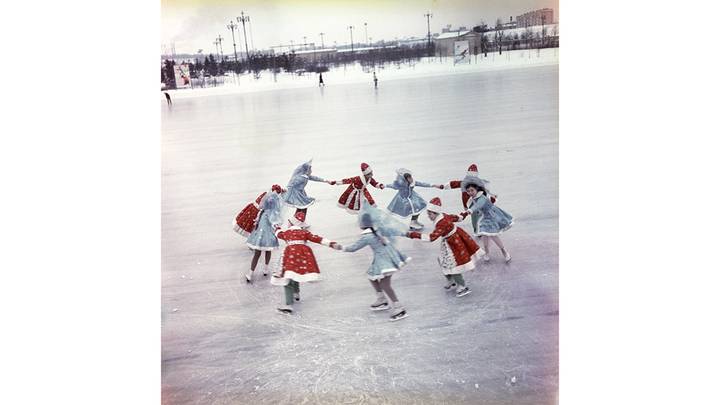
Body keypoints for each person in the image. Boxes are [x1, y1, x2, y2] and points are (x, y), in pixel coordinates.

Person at [335, 202, 411, 321]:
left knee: (385, 284)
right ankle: (381, 298)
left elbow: (354, 248)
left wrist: (341, 247)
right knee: (372, 276)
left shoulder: (368, 237)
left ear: (362, 225)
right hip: (389, 257)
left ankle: (398, 307)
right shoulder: (377, 230)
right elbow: (393, 231)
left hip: (385, 261)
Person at [406, 197, 482, 297]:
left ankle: (462, 286)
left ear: (435, 213)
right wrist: (463, 215)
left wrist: (413, 235)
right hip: (449, 241)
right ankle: (451, 280)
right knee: (442, 260)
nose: (428, 216)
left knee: (453, 265)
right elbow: (457, 218)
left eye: (430, 214)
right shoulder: (443, 216)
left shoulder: (441, 222)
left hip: (454, 243)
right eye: (428, 214)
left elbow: (431, 237)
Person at [271, 212, 339, 314]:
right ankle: (296, 293)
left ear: (292, 224)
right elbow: (317, 238)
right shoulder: (304, 233)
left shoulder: (287, 233)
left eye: (289, 222)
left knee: (288, 278)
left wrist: (276, 227)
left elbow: (278, 234)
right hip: (302, 256)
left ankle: (288, 305)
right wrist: (331, 243)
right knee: (295, 273)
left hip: (290, 256)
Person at [459, 181, 513, 262]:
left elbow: (477, 206)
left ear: (476, 189)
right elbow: (474, 208)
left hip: (493, 216)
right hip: (485, 218)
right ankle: (487, 252)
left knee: (493, 235)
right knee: (484, 235)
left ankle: (504, 251)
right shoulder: (473, 199)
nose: (470, 192)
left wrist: (469, 211)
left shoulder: (482, 198)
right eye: (468, 191)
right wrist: (464, 214)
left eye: (472, 190)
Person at [244, 192, 284, 283]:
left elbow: (260, 223)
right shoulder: (271, 213)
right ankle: (265, 268)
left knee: (257, 254)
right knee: (267, 251)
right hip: (267, 236)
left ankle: (251, 273)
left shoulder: (263, 212)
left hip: (259, 237)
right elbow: (275, 223)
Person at [283, 160, 333, 226]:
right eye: (310, 169)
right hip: (296, 194)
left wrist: (326, 181)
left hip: (301, 193)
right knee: (302, 207)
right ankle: (294, 222)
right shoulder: (300, 178)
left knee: (302, 207)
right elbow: (290, 185)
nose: (311, 170)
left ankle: (299, 221)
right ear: (306, 169)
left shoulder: (305, 176)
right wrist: (286, 193)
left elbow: (315, 178)